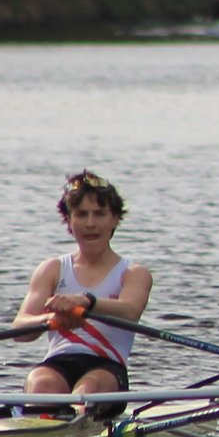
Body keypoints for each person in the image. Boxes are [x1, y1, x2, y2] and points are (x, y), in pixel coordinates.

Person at [10, 171, 152, 419]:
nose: (90, 224)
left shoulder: (133, 273)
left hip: (107, 368)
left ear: (115, 219)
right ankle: (44, 420)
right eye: (81, 214)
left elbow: (130, 311)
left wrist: (86, 302)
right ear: (69, 221)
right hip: (58, 362)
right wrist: (51, 320)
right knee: (40, 383)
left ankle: (70, 422)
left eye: (99, 214)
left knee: (87, 391)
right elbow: (20, 330)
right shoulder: (51, 269)